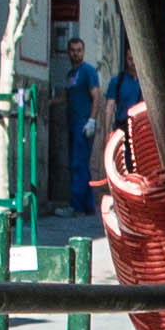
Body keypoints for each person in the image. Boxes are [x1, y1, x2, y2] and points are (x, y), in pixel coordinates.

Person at [59, 37, 102, 213]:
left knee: (79, 164)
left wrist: (92, 120)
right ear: (68, 52)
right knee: (79, 164)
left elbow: (96, 96)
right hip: (73, 123)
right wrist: (48, 102)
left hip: (83, 125)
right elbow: (65, 97)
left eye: (79, 50)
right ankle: (88, 206)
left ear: (83, 52)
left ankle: (76, 206)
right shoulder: (70, 74)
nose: (76, 54)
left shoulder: (88, 71)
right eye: (73, 50)